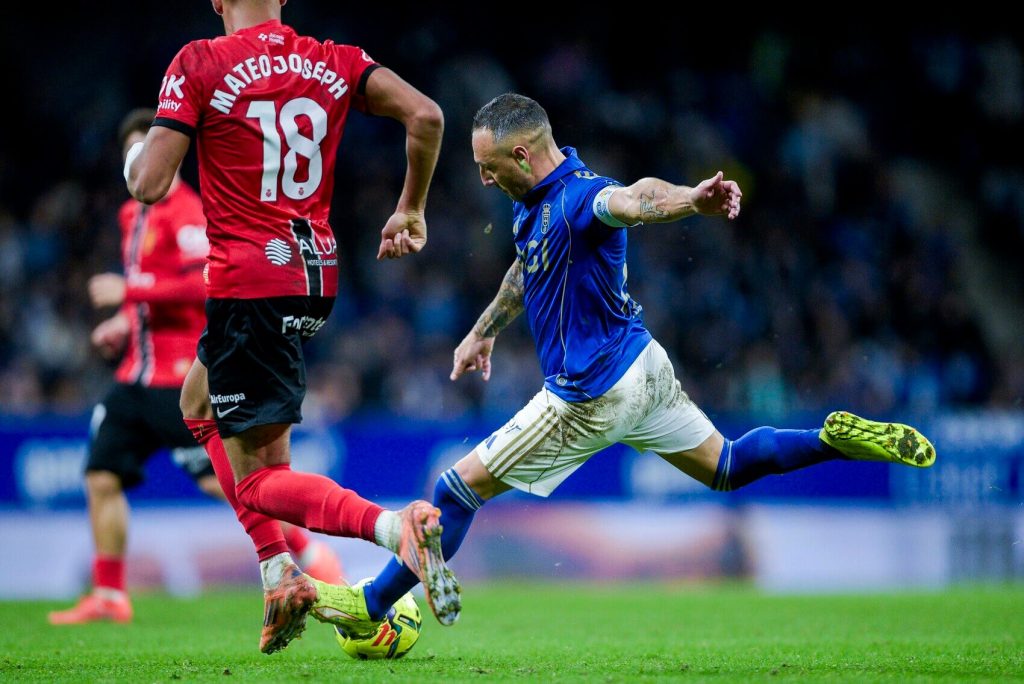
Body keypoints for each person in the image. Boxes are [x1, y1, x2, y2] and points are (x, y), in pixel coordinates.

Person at [353, 92, 937, 624]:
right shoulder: (535, 199)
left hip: (592, 393)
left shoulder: (584, 196)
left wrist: (690, 199)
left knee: (453, 493)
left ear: (525, 155)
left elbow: (634, 199)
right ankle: (830, 439)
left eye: (489, 165)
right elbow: (528, 265)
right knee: (727, 466)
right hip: (645, 368)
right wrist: (484, 330)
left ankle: (371, 607)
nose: (482, 178)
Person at [123, 0, 459, 653]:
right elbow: (427, 114)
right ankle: (279, 572)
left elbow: (149, 183)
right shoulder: (333, 59)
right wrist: (410, 209)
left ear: (218, 0)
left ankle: (397, 530)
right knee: (197, 404)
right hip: (316, 274)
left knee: (258, 480)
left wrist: (137, 149)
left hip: (249, 283)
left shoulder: (199, 62)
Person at [49, 108, 344, 626]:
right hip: (134, 380)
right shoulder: (131, 215)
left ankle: (309, 555)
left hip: (182, 380)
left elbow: (199, 286)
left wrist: (131, 291)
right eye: (132, 152)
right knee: (100, 474)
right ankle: (111, 594)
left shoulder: (188, 213)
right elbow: (154, 288)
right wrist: (125, 319)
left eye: (150, 147)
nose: (141, 160)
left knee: (228, 483)